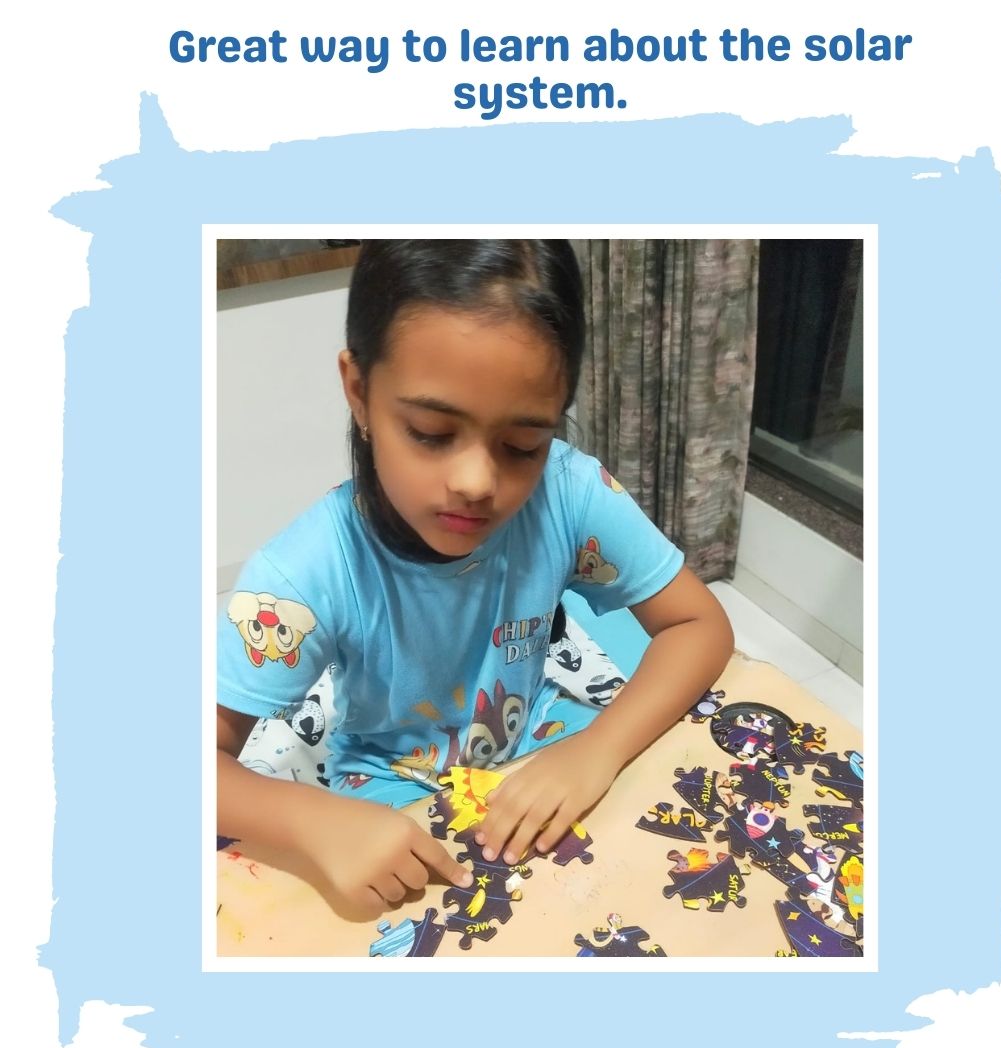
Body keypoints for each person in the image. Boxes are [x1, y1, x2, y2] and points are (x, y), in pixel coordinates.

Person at [217, 239, 734, 918]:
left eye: (523, 445)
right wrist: (315, 823)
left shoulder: (571, 493)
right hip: (393, 789)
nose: (477, 482)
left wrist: (598, 749)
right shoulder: (303, 574)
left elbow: (699, 625)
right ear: (359, 393)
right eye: (431, 431)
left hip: (547, 744)